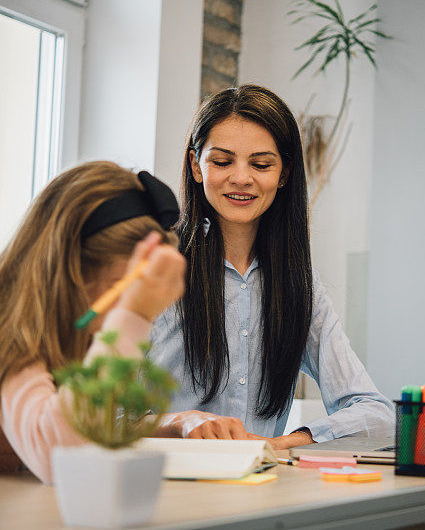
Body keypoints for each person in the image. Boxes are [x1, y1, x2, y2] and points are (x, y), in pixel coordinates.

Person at [0, 161, 187, 483]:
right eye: (121, 288)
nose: (123, 309)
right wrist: (132, 316)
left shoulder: (76, 339)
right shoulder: (8, 340)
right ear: (70, 270)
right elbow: (62, 455)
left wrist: (160, 426)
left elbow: (77, 422)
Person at [150, 85, 394, 449]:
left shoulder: (297, 285)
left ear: (283, 174)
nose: (241, 178)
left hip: (262, 492)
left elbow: (377, 415)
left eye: (261, 164)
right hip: (161, 490)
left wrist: (276, 445)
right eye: (222, 161)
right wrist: (177, 422)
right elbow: (88, 414)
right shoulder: (151, 270)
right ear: (195, 166)